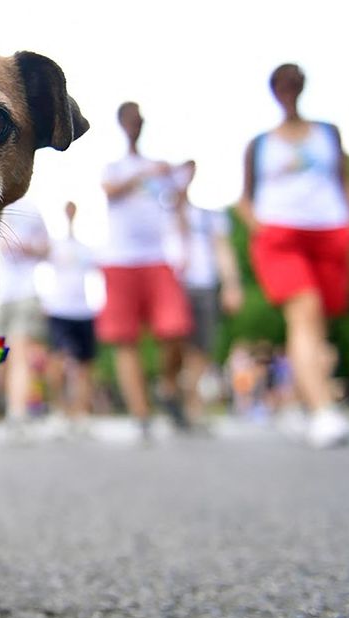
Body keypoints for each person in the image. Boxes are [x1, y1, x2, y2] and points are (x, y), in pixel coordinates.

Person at [237, 63, 349, 449]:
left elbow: (346, 181)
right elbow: (245, 199)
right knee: (304, 309)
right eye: (282, 84)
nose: (288, 89)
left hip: (329, 233)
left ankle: (303, 402)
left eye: (294, 83)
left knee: (315, 324)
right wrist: (260, 227)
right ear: (274, 91)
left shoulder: (327, 133)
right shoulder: (260, 143)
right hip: (280, 234)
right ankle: (324, 411)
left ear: (302, 87)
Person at [99, 102, 193, 438]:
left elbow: (179, 203)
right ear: (121, 124)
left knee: (175, 329)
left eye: (138, 120)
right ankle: (141, 414)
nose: (134, 126)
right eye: (129, 120)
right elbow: (109, 191)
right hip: (120, 260)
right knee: (126, 341)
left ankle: (167, 387)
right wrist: (145, 173)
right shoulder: (115, 166)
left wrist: (185, 246)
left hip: (158, 258)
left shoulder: (160, 167)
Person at [168, 161, 244, 427]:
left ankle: (192, 406)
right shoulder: (163, 213)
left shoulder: (209, 216)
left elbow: (223, 250)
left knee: (202, 347)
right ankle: (172, 389)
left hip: (204, 285)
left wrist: (232, 285)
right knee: (174, 346)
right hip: (172, 286)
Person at [39, 202, 99, 437]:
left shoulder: (87, 248)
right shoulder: (54, 246)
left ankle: (81, 414)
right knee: (58, 362)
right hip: (59, 309)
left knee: (84, 366)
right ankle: (58, 410)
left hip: (84, 310)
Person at [0, 197, 51, 434]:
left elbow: (47, 248)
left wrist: (29, 248)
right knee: (0, 360)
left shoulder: (31, 208)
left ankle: (17, 413)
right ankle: (7, 401)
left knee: (20, 353)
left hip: (25, 291)